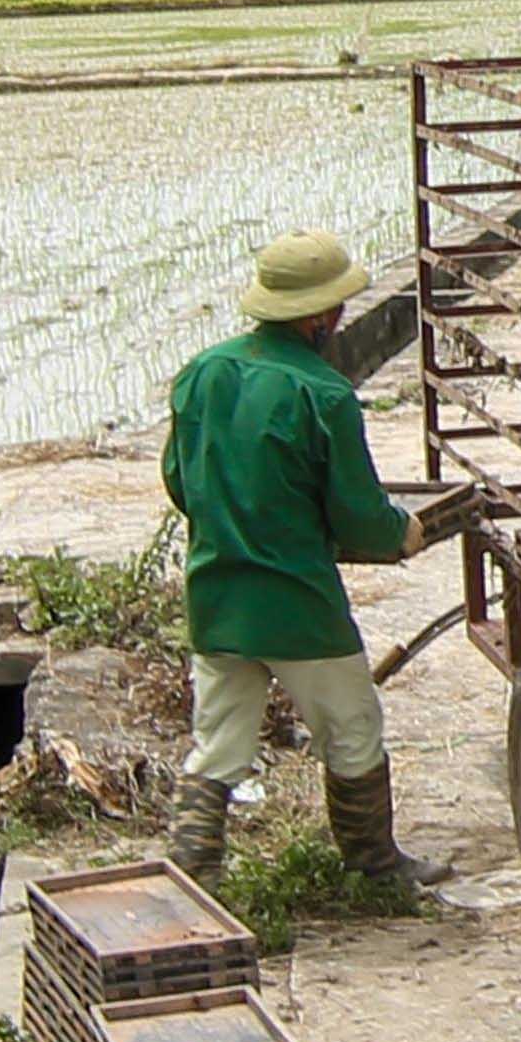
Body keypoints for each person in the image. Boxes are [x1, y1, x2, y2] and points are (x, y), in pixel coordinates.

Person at [163, 231, 453, 894]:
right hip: (297, 601)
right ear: (320, 317)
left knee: (219, 740)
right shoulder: (323, 394)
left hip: (216, 593)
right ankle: (375, 868)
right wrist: (403, 531)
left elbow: (180, 482)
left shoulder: (203, 373)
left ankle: (193, 870)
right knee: (352, 727)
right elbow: (358, 514)